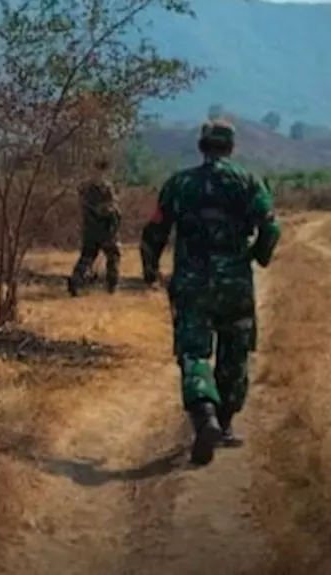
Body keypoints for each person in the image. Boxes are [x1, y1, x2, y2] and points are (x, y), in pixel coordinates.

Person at [139, 119, 282, 466]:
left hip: (191, 283)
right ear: (231, 148)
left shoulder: (180, 183)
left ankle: (205, 417)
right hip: (235, 283)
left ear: (202, 147)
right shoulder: (249, 182)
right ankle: (227, 422)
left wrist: (150, 269)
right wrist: (257, 256)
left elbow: (155, 230)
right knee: (234, 352)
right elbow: (271, 226)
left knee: (194, 353)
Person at [68, 158, 122, 296]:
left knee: (87, 256)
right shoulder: (106, 187)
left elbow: (82, 201)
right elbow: (113, 209)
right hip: (105, 230)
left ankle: (75, 281)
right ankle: (112, 286)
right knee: (113, 255)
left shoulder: (85, 188)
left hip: (90, 229)